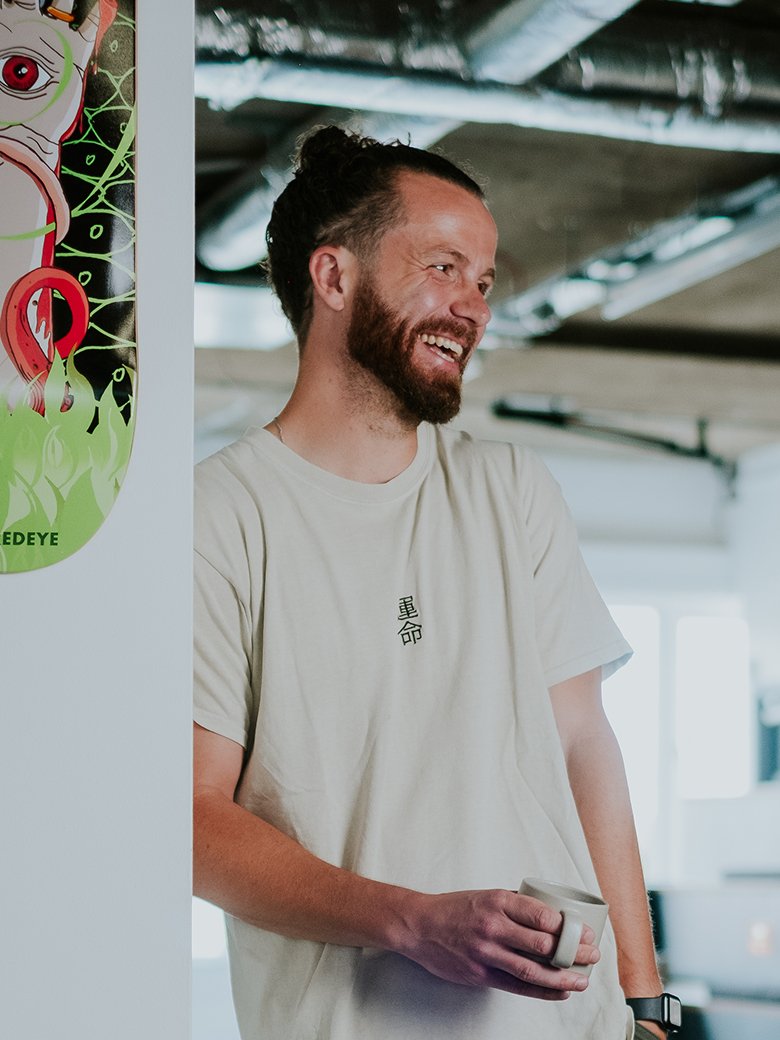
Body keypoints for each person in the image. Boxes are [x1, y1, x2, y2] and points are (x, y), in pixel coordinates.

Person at [193, 126, 670, 1040]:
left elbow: (584, 749)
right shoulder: (220, 517)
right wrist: (410, 922)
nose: (474, 308)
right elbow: (191, 820)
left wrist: (646, 1003)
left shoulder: (511, 490)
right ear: (333, 278)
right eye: (445, 267)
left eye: (484, 281)